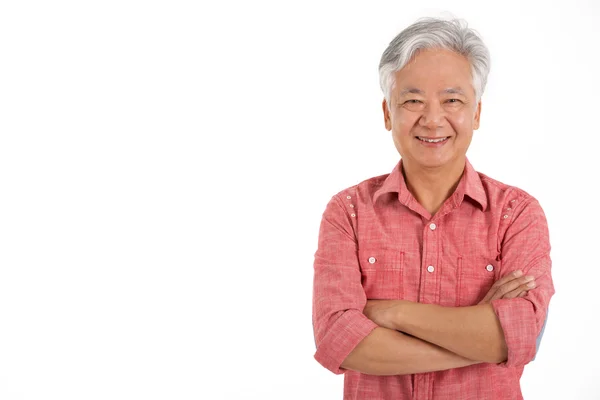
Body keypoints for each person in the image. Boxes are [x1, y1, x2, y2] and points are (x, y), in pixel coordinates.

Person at [311, 17, 554, 400]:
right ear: (388, 113)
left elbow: (519, 335)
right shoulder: (349, 212)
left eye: (452, 100)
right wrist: (477, 340)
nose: (433, 119)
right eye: (412, 101)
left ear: (476, 113)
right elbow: (339, 341)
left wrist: (391, 313)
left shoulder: (517, 213)